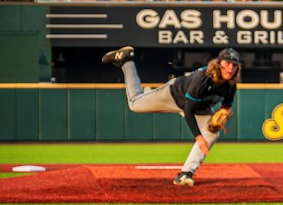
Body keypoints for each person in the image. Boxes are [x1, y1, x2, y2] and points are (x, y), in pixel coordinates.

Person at [102, 45, 241, 186]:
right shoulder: (203, 79)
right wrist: (199, 137)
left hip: (199, 108)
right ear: (219, 63)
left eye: (234, 65)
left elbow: (226, 107)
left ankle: (185, 174)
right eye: (227, 63)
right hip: (173, 96)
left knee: (211, 134)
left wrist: (225, 114)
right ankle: (127, 60)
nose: (230, 68)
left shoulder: (230, 85)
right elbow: (188, 110)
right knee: (134, 105)